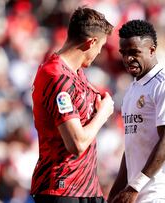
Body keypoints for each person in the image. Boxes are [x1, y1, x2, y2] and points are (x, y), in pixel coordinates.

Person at [30, 7, 114, 203]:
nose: (100, 52)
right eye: (100, 46)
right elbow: (76, 143)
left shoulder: (76, 74)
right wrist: (103, 114)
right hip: (62, 187)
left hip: (86, 189)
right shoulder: (56, 77)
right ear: (91, 42)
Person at [108, 20, 165, 203]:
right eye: (124, 53)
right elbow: (130, 149)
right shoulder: (132, 90)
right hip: (138, 195)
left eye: (134, 52)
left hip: (161, 194)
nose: (128, 59)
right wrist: (114, 194)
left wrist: (134, 186)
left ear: (152, 50)